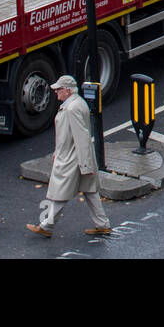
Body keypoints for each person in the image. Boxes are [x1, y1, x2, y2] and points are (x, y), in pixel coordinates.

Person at [27, 76, 111, 239]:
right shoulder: (76, 104)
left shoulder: (72, 108)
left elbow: (81, 137)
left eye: (59, 89)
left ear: (68, 90)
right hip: (77, 157)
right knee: (90, 191)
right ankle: (102, 225)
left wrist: (85, 165)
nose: (56, 92)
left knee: (60, 192)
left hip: (72, 159)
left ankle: (47, 226)